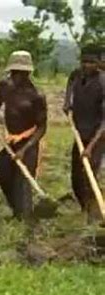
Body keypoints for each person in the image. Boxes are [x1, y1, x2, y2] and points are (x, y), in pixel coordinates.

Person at [0, 51, 48, 220]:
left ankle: (26, 221)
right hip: (10, 138)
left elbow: (42, 128)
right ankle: (16, 211)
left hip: (29, 141)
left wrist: (25, 149)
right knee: (3, 173)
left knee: (23, 182)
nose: (16, 76)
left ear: (28, 73)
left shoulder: (37, 95)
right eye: (13, 72)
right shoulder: (5, 85)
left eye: (20, 73)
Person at [64, 45, 105, 221]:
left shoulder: (103, 83)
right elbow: (70, 83)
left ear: (99, 62)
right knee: (76, 177)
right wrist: (67, 102)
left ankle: (93, 215)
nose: (86, 65)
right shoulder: (76, 75)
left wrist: (90, 147)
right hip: (80, 133)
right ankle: (84, 207)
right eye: (84, 61)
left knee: (89, 176)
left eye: (91, 62)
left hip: (98, 136)